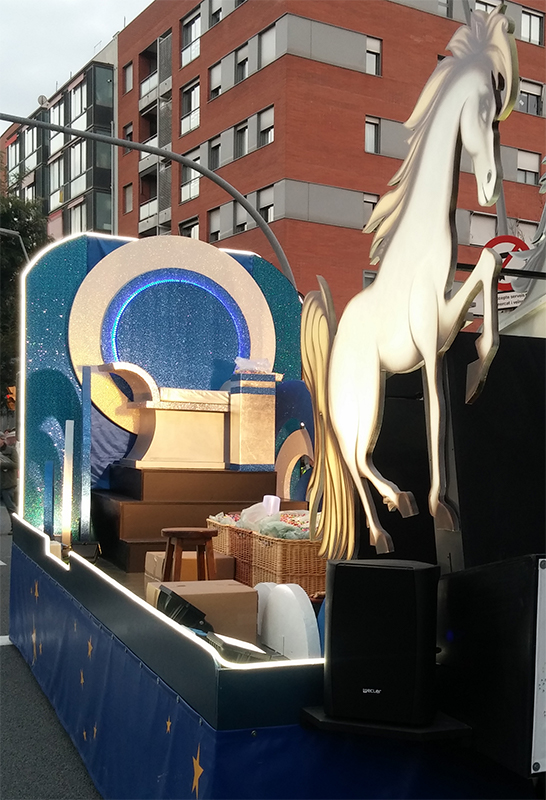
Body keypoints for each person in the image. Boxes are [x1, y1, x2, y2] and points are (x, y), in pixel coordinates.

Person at [0, 431, 18, 531]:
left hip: (7, 483)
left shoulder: (11, 451)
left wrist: (2, 464)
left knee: (10, 507)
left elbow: (16, 464)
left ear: (2, 440)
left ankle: (15, 527)